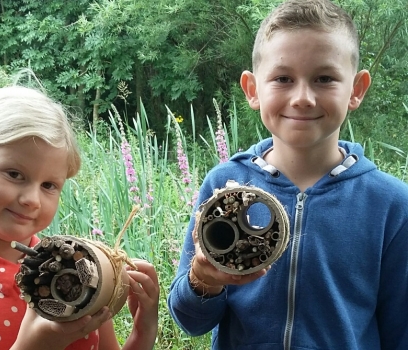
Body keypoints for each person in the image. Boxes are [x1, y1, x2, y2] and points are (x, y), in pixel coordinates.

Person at [167, 0, 408, 349]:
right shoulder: (223, 186)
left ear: (356, 89)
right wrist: (203, 280)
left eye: (324, 78)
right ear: (252, 89)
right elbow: (190, 321)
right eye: (283, 78)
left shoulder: (392, 205)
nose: (303, 97)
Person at [0, 85, 159, 350]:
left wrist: (143, 332)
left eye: (49, 185)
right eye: (14, 174)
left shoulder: (80, 267)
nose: (32, 199)